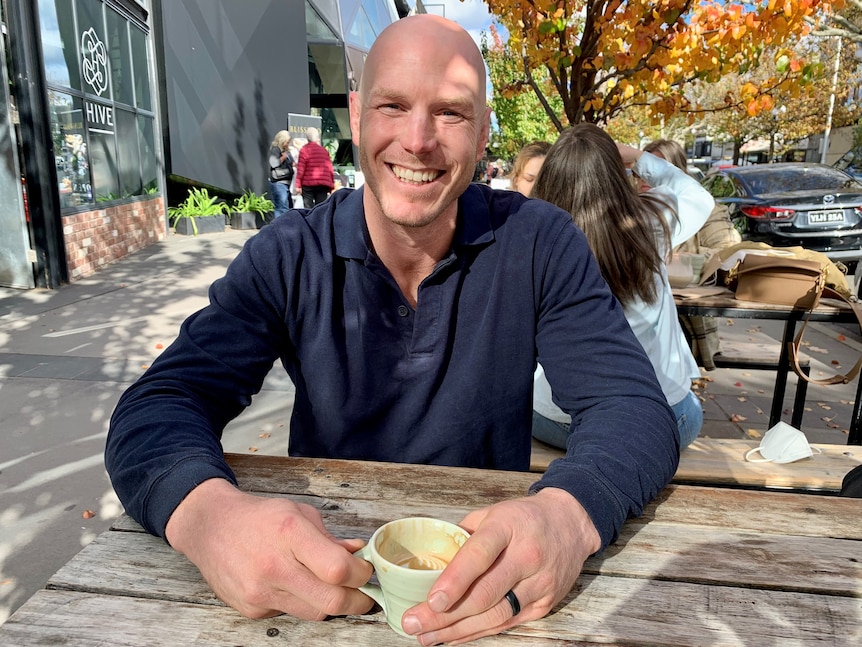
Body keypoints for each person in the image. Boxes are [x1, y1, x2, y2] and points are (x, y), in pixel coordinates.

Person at [105, 15, 678, 646]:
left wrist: (568, 514)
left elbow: (632, 408)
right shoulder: (288, 256)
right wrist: (210, 518)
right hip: (320, 583)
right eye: (392, 105)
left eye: (452, 113)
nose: (419, 139)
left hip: (489, 596)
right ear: (356, 117)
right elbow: (160, 404)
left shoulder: (540, 242)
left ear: (485, 132)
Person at [531, 123, 714, 451]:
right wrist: (638, 157)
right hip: (658, 420)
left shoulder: (533, 232)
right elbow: (698, 196)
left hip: (556, 420)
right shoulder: (652, 222)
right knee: (690, 407)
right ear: (616, 176)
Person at [643, 139, 742, 369]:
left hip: (687, 322)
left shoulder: (706, 210)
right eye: (641, 171)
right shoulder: (627, 214)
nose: (646, 179)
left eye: (657, 169)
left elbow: (729, 254)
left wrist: (684, 262)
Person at [295, 126, 335, 208]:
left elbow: (301, 169)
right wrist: (332, 184)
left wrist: (298, 185)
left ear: (307, 138)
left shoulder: (304, 150)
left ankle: (310, 220)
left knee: (308, 209)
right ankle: (320, 221)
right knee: (321, 208)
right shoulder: (324, 151)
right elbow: (330, 168)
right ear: (317, 138)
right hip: (323, 184)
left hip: (308, 184)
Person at [268, 130, 295, 218]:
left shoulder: (287, 151)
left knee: (289, 207)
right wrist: (283, 158)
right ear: (281, 141)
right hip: (278, 183)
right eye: (287, 142)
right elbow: (273, 164)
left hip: (286, 182)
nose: (288, 144)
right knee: (282, 208)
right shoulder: (275, 149)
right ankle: (279, 228)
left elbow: (292, 163)